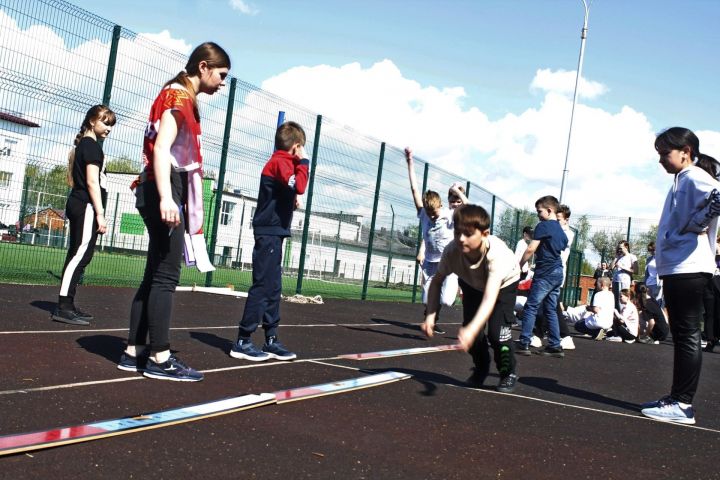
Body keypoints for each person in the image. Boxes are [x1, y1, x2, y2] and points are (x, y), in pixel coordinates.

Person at [119, 42, 231, 382]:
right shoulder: (178, 97)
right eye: (221, 75)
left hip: (159, 187)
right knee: (167, 277)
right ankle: (160, 357)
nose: (223, 83)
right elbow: (163, 149)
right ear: (203, 67)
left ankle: (133, 351)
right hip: (162, 188)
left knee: (154, 273)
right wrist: (168, 198)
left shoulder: (180, 97)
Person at [641, 127, 720, 425]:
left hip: (689, 267)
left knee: (687, 335)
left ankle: (683, 403)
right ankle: (677, 398)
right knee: (684, 334)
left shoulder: (694, 176)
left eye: (665, 153)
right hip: (681, 266)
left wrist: (695, 223)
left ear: (685, 152)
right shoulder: (683, 180)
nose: (661, 159)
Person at [230, 121, 309, 362]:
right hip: (269, 232)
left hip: (276, 231)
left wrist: (290, 197)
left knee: (274, 288)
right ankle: (243, 340)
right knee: (263, 286)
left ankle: (271, 338)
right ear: (296, 147)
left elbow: (287, 190)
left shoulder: (282, 164)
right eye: (301, 149)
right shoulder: (281, 162)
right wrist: (304, 163)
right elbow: (300, 185)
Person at [421, 204, 520, 393]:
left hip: (503, 285)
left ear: (485, 234)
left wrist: (472, 329)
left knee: (497, 334)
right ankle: (481, 367)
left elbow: (490, 297)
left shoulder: (496, 256)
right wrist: (430, 316)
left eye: (468, 234)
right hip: (472, 283)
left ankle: (508, 372)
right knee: (472, 333)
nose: (461, 239)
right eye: (457, 232)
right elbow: (436, 282)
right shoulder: (451, 252)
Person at [52, 105, 116, 325]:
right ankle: (63, 306)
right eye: (105, 123)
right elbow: (92, 181)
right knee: (80, 254)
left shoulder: (86, 145)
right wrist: (100, 213)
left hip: (80, 203)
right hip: (86, 205)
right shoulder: (91, 146)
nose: (109, 128)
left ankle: (68, 303)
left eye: (111, 124)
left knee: (80, 254)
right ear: (92, 122)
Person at [404, 147, 458, 335]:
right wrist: (410, 162)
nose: (432, 217)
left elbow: (468, 208)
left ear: (440, 207)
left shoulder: (449, 215)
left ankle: (437, 310)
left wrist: (457, 191)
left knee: (447, 301)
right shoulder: (424, 214)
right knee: (427, 300)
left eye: (434, 213)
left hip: (449, 263)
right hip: (430, 263)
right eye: (429, 214)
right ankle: (430, 319)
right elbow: (414, 189)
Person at [516, 195, 568, 357]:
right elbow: (563, 244)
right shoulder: (560, 229)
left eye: (539, 211)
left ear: (549, 210)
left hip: (545, 272)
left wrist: (519, 265)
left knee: (531, 306)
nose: (538, 214)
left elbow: (531, 248)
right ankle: (554, 344)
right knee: (551, 308)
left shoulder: (543, 226)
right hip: (558, 272)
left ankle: (524, 342)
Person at [703, 236, 720, 352]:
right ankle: (710, 341)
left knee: (718, 314)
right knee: (709, 314)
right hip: (709, 282)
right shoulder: (709, 249)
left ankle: (716, 338)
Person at [610, 240, 638, 311]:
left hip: (624, 281)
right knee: (615, 300)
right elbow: (611, 267)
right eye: (618, 248)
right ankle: (616, 317)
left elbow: (636, 271)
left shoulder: (632, 257)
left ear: (626, 247)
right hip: (615, 280)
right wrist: (616, 257)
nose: (619, 250)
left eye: (621, 248)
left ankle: (623, 317)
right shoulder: (619, 257)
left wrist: (622, 267)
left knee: (622, 300)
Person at [644, 242, 663, 308]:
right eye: (650, 250)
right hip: (649, 283)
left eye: (653, 250)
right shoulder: (649, 259)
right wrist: (645, 283)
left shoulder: (661, 258)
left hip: (657, 283)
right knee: (648, 302)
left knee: (657, 302)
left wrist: (660, 285)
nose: (651, 252)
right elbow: (646, 272)